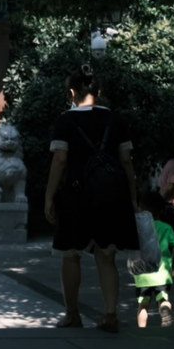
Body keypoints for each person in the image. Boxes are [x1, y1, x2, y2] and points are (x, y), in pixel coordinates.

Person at [45, 64, 139, 333]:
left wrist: (49, 196)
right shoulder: (115, 120)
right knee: (106, 256)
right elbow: (126, 162)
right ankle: (110, 316)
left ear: (72, 92)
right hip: (112, 195)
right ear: (99, 91)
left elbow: (60, 160)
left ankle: (72, 314)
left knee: (70, 255)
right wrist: (132, 198)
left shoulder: (66, 120)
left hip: (76, 195)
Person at [134, 191, 174, 328]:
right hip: (162, 275)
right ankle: (165, 309)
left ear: (141, 207)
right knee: (163, 299)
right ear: (161, 210)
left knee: (143, 305)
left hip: (143, 274)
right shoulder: (166, 228)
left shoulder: (139, 228)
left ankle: (142, 330)